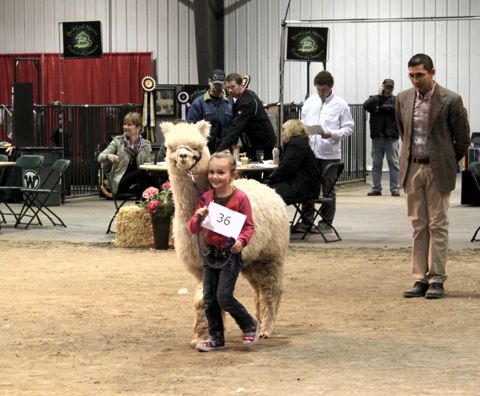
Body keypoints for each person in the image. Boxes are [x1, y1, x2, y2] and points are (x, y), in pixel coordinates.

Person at [397, 54, 470, 299]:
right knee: (418, 225)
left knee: (438, 224)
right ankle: (420, 278)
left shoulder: (452, 100)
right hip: (412, 168)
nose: (415, 80)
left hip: (438, 169)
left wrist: (447, 158)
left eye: (420, 75)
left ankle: (437, 278)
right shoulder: (403, 99)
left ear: (432, 72)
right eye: (411, 75)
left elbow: (463, 139)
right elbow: (403, 132)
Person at [188, 151, 259, 352]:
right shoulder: (206, 199)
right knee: (209, 299)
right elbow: (192, 228)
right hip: (211, 255)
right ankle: (216, 337)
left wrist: (241, 241)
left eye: (221, 172)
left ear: (232, 174)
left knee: (224, 297)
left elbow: (248, 227)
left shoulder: (240, 199)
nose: (215, 177)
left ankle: (249, 324)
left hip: (230, 255)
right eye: (211, 172)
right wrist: (199, 217)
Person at [299, 70, 354, 231]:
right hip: (311, 152)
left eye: (323, 89)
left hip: (330, 154)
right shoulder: (310, 101)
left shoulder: (340, 104)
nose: (321, 93)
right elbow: (303, 120)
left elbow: (349, 127)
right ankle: (306, 221)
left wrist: (332, 134)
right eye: (318, 89)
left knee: (328, 189)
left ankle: (326, 223)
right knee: (309, 187)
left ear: (330, 87)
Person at [217, 73, 276, 160]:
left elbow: (236, 128)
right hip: (253, 144)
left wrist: (219, 152)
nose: (229, 90)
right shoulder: (244, 96)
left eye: (232, 87)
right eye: (228, 87)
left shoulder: (247, 102)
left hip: (263, 145)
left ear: (241, 85)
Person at [97, 112, 153, 199]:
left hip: (138, 182)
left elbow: (149, 165)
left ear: (138, 128)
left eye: (129, 125)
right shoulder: (117, 141)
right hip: (120, 182)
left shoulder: (146, 144)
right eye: (125, 124)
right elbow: (100, 157)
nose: (125, 127)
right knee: (142, 172)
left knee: (147, 178)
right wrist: (107, 156)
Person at [269, 119, 320, 208]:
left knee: (266, 193)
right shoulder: (299, 142)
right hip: (305, 185)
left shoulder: (296, 144)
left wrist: (270, 179)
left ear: (290, 130)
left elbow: (286, 169)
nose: (282, 133)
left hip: (302, 187)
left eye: (284, 130)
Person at [364, 78, 400, 196]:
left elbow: (396, 110)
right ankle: (376, 188)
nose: (388, 89)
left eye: (390, 87)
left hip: (391, 137)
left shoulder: (396, 100)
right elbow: (367, 106)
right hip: (377, 136)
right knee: (376, 163)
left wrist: (379, 108)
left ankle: (395, 188)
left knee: (393, 163)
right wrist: (378, 97)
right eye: (387, 87)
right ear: (382, 87)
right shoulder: (374, 98)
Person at [187, 69, 233, 153]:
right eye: (215, 84)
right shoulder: (199, 103)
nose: (217, 86)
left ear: (224, 84)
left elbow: (233, 128)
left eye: (220, 84)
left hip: (225, 150)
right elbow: (191, 128)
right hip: (204, 151)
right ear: (209, 82)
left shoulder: (229, 104)